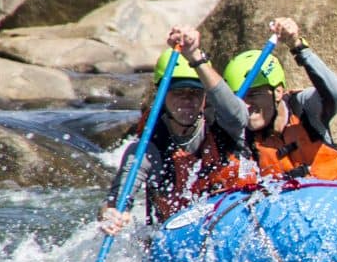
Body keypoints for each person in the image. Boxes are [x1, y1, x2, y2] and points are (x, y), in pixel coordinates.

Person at [98, 26, 250, 234]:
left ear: (205, 96)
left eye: (195, 92)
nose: (187, 100)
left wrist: (195, 56)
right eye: (178, 93)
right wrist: (111, 214)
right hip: (179, 236)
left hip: (233, 223)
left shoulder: (222, 125)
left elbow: (239, 116)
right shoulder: (147, 149)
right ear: (162, 95)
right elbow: (116, 201)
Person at [223, 16, 337, 182]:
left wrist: (297, 46)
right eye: (239, 98)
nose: (245, 105)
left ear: (278, 92)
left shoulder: (303, 107)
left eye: (254, 95)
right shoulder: (240, 137)